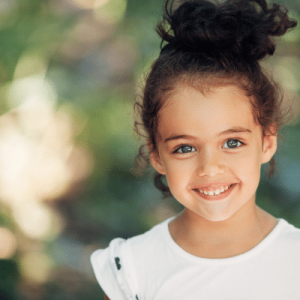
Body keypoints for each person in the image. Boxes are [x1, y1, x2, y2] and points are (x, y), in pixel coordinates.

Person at [90, 0, 299, 299]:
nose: (210, 168)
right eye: (185, 148)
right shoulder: (132, 270)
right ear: (156, 155)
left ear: (267, 141)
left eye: (232, 142)